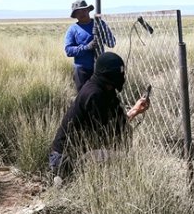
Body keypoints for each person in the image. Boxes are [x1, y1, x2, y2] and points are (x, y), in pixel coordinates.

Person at [48, 52, 149, 182]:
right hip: (64, 157)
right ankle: (67, 175)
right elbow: (109, 133)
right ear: (109, 75)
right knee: (124, 160)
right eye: (118, 73)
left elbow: (114, 123)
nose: (122, 77)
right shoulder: (94, 95)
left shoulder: (105, 90)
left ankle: (70, 176)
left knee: (119, 150)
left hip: (79, 151)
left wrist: (135, 110)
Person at [64, 0, 116, 91]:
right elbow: (68, 50)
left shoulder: (100, 24)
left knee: (101, 95)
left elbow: (112, 43)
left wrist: (102, 35)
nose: (81, 13)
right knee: (83, 97)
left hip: (100, 68)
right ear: (75, 15)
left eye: (84, 10)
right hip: (82, 70)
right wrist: (87, 47)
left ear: (88, 10)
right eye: (78, 12)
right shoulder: (73, 29)